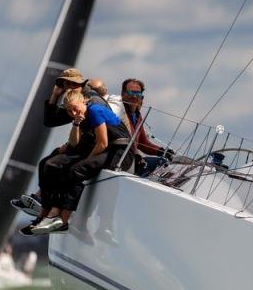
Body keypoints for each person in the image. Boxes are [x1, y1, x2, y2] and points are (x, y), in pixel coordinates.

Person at [29, 89, 133, 234]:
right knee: (56, 166)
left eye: (75, 109)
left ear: (83, 101)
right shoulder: (81, 116)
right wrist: (76, 124)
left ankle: (62, 220)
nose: (73, 113)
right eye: (70, 111)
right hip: (108, 150)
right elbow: (74, 143)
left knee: (76, 170)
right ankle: (51, 214)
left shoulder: (95, 110)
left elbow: (102, 143)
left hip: (122, 152)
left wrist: (86, 160)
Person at [11, 68, 107, 218]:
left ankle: (44, 202)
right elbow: (50, 121)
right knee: (46, 162)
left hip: (95, 146)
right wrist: (55, 95)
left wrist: (71, 147)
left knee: (51, 164)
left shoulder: (87, 100)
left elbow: (97, 134)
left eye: (72, 84)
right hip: (84, 142)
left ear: (80, 84)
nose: (68, 87)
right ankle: (40, 199)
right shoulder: (72, 98)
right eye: (65, 84)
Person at [121, 78, 173, 175]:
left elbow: (142, 142)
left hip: (133, 158)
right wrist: (136, 154)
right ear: (123, 94)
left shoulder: (137, 115)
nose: (134, 96)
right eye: (131, 92)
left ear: (142, 97)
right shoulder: (120, 112)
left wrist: (162, 151)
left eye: (137, 93)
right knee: (160, 164)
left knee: (164, 162)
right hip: (123, 159)